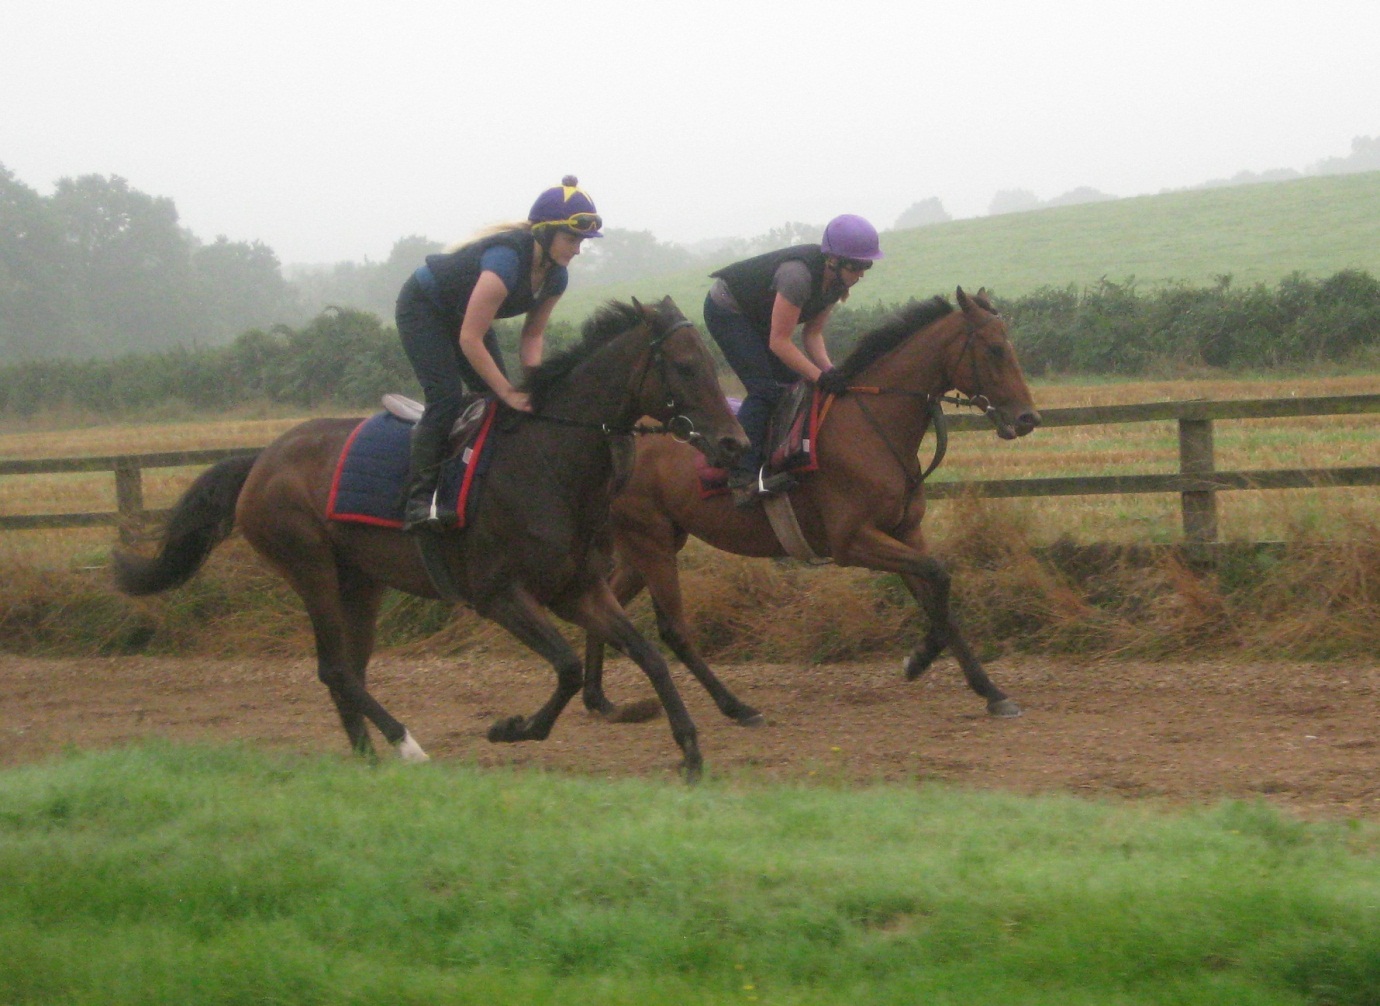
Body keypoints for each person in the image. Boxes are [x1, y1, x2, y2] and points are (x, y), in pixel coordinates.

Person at [395, 176, 602, 530]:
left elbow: (533, 336)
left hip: (464, 318)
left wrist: (536, 386)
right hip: (424, 307)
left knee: (493, 400)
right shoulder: (505, 261)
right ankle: (418, 501)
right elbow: (470, 339)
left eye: (581, 241)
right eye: (571, 239)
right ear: (544, 233)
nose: (577, 249)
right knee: (447, 397)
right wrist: (508, 391)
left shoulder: (556, 277)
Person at [703, 213, 883, 507]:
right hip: (728, 309)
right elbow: (779, 341)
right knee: (764, 389)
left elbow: (812, 335)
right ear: (833, 261)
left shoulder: (836, 283)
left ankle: (777, 459)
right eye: (857, 265)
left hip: (760, 316)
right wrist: (819, 376)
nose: (861, 273)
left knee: (794, 386)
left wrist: (829, 370)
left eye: (867, 265)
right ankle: (741, 476)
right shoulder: (797, 277)